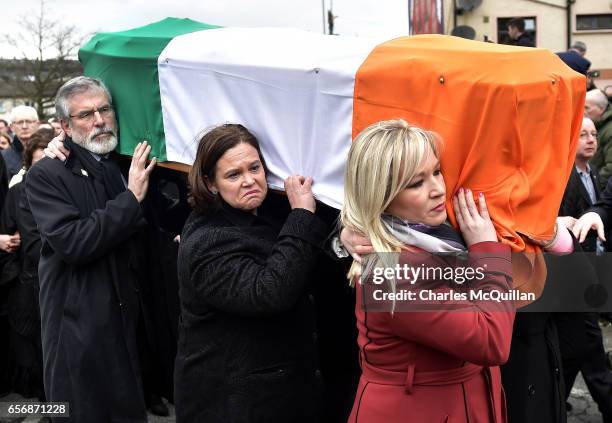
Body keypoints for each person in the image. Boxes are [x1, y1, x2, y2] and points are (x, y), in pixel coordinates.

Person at [339, 119, 515, 422]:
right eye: (416, 183)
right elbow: (492, 341)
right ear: (380, 195)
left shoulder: (430, 234)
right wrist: (487, 250)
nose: (437, 189)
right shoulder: (395, 272)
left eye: (436, 172)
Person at [174, 123, 328, 422]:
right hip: (233, 404)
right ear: (210, 183)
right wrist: (302, 215)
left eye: (254, 168)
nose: (250, 181)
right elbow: (268, 292)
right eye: (234, 174)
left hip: (268, 394)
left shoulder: (258, 214)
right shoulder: (209, 240)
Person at [25, 76, 156, 422]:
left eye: (104, 109)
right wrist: (131, 200)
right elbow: (73, 242)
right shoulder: (46, 175)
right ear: (65, 127)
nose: (99, 121)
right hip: (78, 328)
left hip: (125, 321)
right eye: (86, 115)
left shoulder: (121, 166)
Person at [555, 116, 612, 422]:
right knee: (589, 350)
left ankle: (556, 396)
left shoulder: (595, 175)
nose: (591, 140)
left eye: (593, 134)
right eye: (583, 135)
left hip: (597, 270)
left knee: (582, 351)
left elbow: (604, 206)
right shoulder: (563, 179)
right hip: (575, 280)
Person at [0, 127, 53, 400]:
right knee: (29, 347)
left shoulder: (65, 191)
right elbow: (9, 232)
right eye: (37, 165)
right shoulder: (17, 191)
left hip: (57, 281)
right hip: (28, 281)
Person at [585, 89, 612, 189]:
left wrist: (591, 185)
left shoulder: (609, 130)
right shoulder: (597, 124)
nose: (583, 112)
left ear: (601, 109)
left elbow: (610, 167)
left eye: (587, 108)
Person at [5, 106, 39, 179]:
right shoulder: (3, 157)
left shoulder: (49, 152)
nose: (24, 126)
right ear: (11, 127)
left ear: (37, 124)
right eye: (20, 122)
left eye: (29, 121)